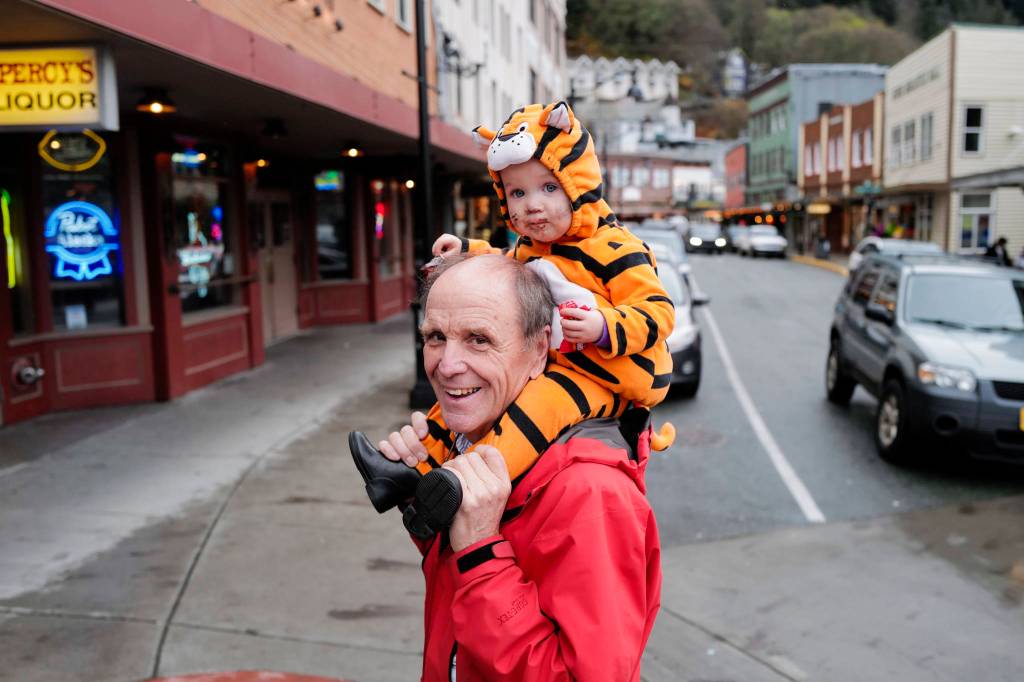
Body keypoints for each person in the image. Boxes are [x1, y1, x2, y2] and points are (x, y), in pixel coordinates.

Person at [381, 253, 662, 681]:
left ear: (538, 350)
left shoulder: (591, 495)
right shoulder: (482, 448)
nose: (447, 364)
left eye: (479, 339)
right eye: (435, 337)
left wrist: (479, 551)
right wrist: (422, 500)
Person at [380, 100, 675, 491]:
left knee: (540, 407)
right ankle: (407, 475)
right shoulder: (533, 247)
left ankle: (467, 488)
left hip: (609, 375)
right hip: (555, 360)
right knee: (454, 405)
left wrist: (603, 326)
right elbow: (505, 261)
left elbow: (658, 313)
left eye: (549, 187)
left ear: (579, 184)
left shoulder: (617, 248)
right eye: (517, 192)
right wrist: (467, 249)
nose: (532, 205)